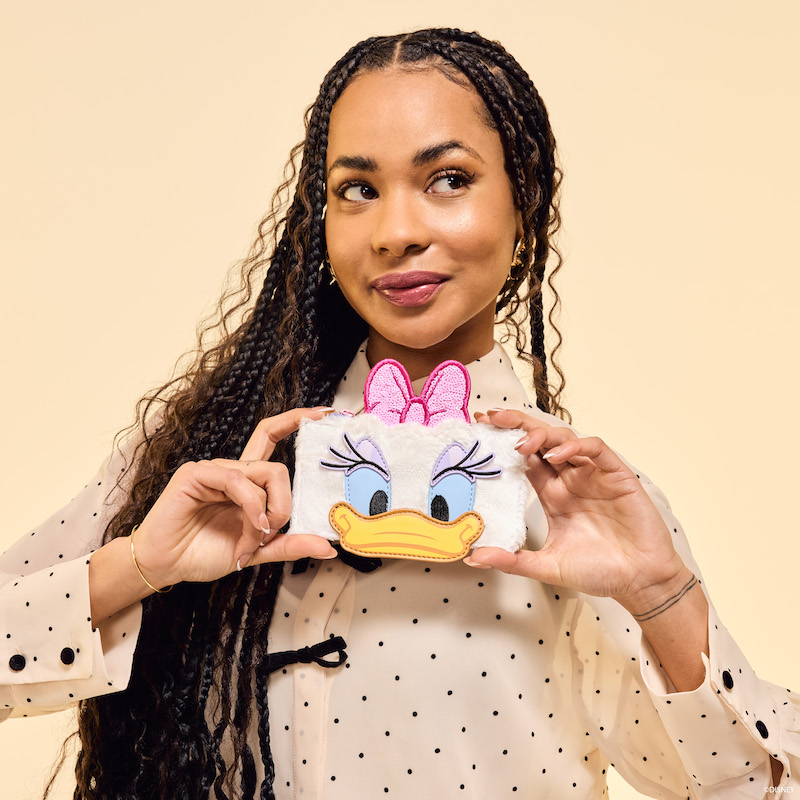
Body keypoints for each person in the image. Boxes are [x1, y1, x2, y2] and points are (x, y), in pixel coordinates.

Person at [1, 27, 797, 800]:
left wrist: (659, 591)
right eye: (358, 190)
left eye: (448, 179)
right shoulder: (208, 456)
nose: (397, 232)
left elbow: (745, 786)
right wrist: (143, 564)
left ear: (526, 205)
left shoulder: (586, 510)